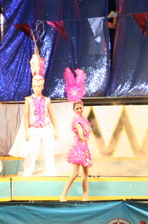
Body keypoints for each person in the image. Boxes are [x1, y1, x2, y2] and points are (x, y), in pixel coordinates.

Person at [14, 75, 58, 176]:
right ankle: (28, 171)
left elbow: (51, 115)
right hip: (34, 128)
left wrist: (55, 129)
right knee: (31, 150)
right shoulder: (28, 100)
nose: (36, 88)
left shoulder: (47, 100)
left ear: (42, 87)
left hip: (46, 127)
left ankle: (50, 171)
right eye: (34, 86)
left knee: (49, 150)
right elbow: (26, 115)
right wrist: (26, 130)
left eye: (38, 86)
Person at [60, 68, 92, 201]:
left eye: (80, 108)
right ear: (74, 109)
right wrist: (83, 137)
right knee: (74, 173)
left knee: (85, 174)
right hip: (78, 148)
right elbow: (79, 131)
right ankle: (63, 194)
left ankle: (85, 196)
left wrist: (86, 137)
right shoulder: (77, 120)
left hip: (84, 148)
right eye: (77, 108)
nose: (79, 110)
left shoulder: (84, 119)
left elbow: (86, 131)